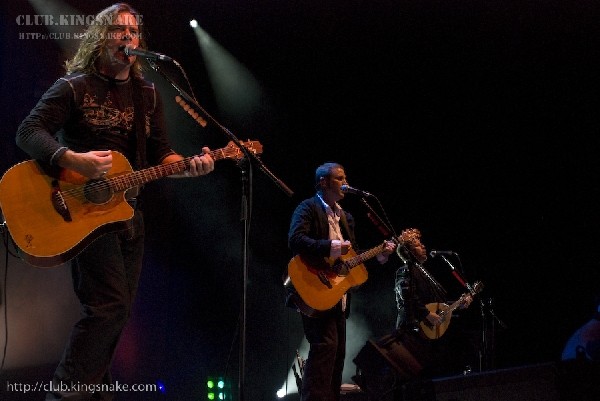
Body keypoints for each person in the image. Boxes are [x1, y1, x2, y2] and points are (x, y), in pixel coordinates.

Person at [15, 3, 215, 400]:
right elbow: (28, 132)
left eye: (133, 32)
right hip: (82, 211)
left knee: (117, 314)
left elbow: (162, 154)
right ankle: (64, 392)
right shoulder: (74, 86)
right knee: (109, 309)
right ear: (101, 39)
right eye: (117, 30)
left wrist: (190, 166)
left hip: (127, 213)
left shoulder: (147, 95)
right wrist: (72, 158)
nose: (127, 37)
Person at [286, 162, 397, 401]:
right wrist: (330, 246)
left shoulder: (346, 217)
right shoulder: (308, 208)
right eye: (339, 178)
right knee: (325, 348)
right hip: (315, 286)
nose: (345, 182)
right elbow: (296, 240)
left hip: (337, 294)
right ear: (323, 182)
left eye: (345, 177)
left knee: (337, 355)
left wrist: (380, 253)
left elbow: (353, 255)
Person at [393, 228, 475, 378]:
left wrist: (458, 304)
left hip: (427, 334)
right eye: (418, 245)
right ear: (408, 251)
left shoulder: (423, 271)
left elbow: (436, 303)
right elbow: (407, 298)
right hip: (413, 332)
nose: (423, 246)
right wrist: (425, 314)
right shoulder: (405, 270)